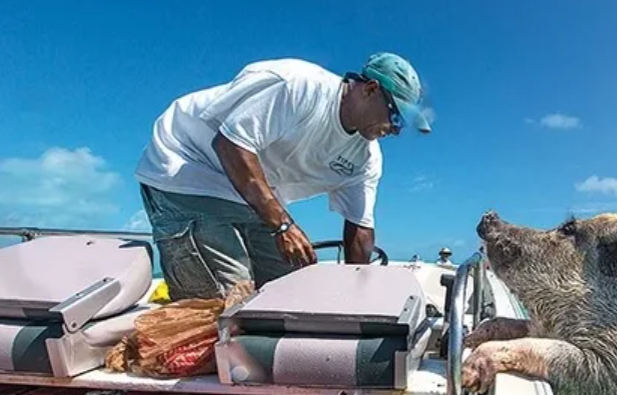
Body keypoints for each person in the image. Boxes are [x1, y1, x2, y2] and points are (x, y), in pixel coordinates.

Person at [134, 53, 432, 300]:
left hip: (250, 193)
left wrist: (359, 298)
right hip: (187, 167)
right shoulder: (298, 85)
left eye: (401, 125)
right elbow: (230, 145)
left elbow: (360, 228)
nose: (395, 130)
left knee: (291, 296)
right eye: (395, 117)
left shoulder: (367, 158)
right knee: (228, 302)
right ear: (369, 90)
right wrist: (283, 225)